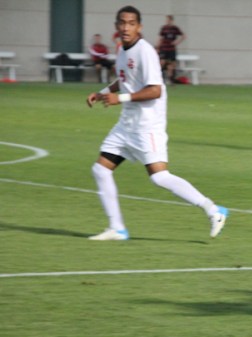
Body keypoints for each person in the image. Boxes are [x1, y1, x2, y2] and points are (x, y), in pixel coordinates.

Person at [85, 6, 228, 241]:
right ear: (116, 26)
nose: (126, 27)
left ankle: (213, 210)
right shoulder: (122, 50)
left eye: (131, 23)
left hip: (147, 125)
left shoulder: (145, 52)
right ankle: (117, 228)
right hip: (126, 124)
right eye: (122, 23)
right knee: (100, 169)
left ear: (139, 27)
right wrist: (101, 93)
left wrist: (118, 99)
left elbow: (155, 90)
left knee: (160, 177)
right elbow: (124, 80)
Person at [157, 15, 185, 83]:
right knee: (162, 62)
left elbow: (183, 36)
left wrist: (177, 42)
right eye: (166, 20)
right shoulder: (164, 28)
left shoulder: (175, 28)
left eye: (168, 20)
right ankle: (159, 77)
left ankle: (171, 79)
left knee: (171, 64)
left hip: (171, 49)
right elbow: (160, 38)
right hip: (164, 48)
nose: (167, 21)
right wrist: (158, 47)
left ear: (171, 20)